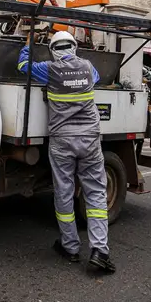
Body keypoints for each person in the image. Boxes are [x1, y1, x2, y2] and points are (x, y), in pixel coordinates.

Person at [18, 31, 116, 273]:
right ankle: (100, 251)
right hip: (90, 139)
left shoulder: (48, 69)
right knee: (95, 194)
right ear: (74, 47)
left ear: (53, 50)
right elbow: (94, 79)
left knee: (63, 192)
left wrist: (29, 41)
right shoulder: (88, 67)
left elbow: (22, 65)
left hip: (62, 140)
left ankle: (70, 247)